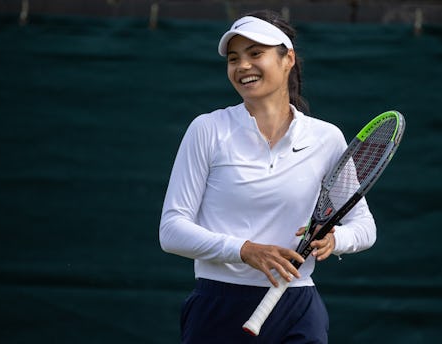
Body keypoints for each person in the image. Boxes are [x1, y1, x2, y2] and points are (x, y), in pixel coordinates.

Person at [159, 9, 376, 343]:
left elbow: (364, 226)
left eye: (255, 53)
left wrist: (334, 241)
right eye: (234, 59)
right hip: (218, 306)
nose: (243, 66)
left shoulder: (326, 138)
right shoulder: (207, 129)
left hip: (298, 307)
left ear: (287, 58)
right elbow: (172, 231)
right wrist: (245, 250)